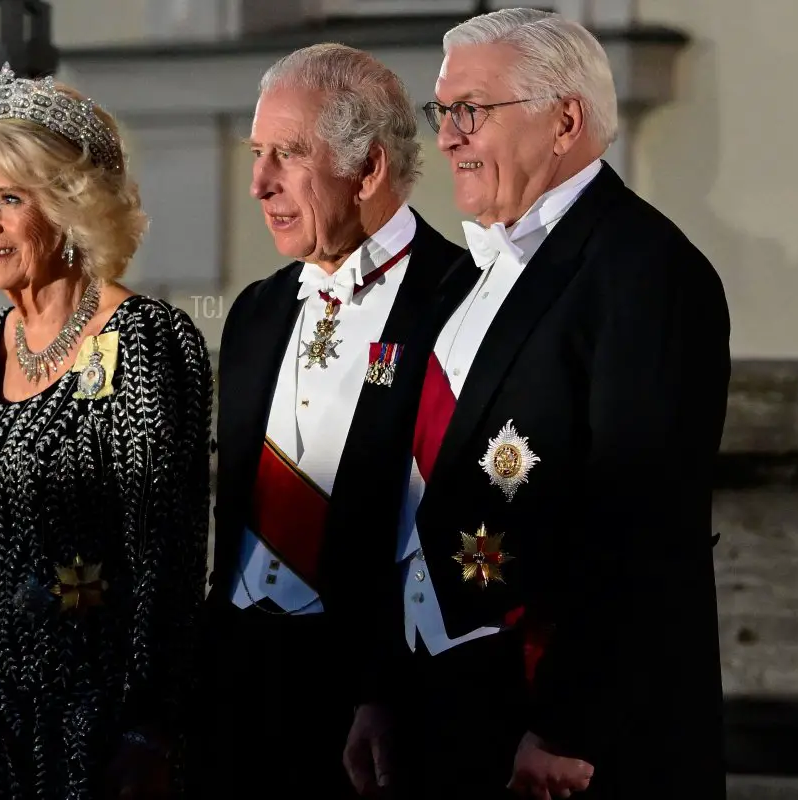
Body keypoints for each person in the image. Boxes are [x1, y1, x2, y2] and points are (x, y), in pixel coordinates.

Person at [353, 8, 730, 798]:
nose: (447, 136)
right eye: (441, 112)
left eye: (471, 111)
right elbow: (412, 500)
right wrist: (382, 688)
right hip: (440, 707)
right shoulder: (465, 275)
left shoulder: (646, 271)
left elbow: (643, 522)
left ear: (565, 121)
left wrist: (568, 725)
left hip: (559, 739)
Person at [0, 65, 213, 800]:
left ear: (72, 206)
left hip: (83, 728)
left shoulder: (142, 339)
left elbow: (166, 554)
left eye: (10, 200)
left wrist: (149, 726)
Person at [204, 43, 465, 799]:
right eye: (258, 153)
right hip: (239, 683)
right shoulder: (253, 310)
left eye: (288, 154)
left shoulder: (460, 302)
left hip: (373, 701)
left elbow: (445, 527)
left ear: (370, 169)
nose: (258, 183)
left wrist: (383, 690)